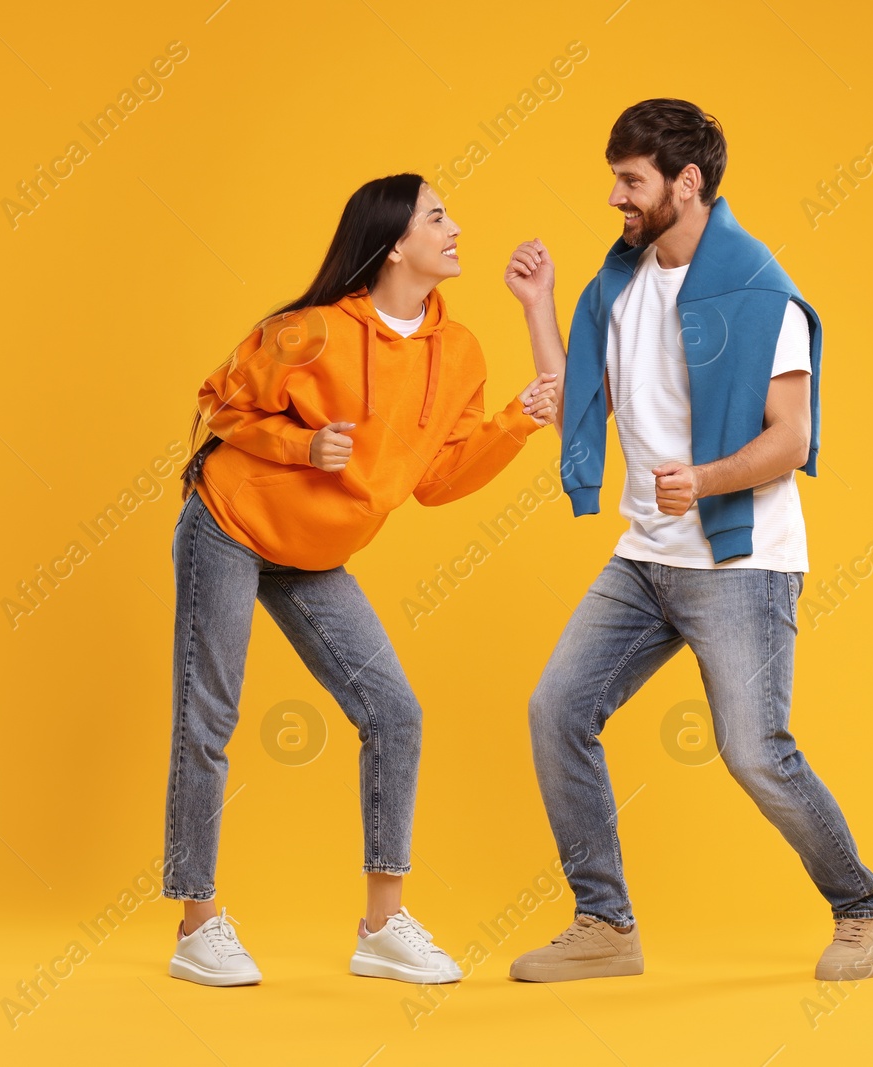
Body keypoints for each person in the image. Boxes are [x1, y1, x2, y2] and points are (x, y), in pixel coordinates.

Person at [502, 99, 873, 983]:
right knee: (557, 709)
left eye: (631, 179)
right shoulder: (621, 286)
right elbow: (578, 404)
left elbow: (791, 438)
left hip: (740, 560)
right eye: (615, 177)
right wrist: (540, 307)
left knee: (756, 751)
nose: (615, 196)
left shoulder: (762, 295)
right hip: (647, 559)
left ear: (688, 182)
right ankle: (605, 923)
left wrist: (705, 479)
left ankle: (863, 911)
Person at [163, 173, 558, 987]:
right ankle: (196, 921)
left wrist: (517, 419)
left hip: (313, 554)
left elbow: (438, 481)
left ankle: (382, 925)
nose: (456, 228)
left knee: (393, 712)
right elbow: (215, 405)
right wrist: (302, 449)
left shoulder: (461, 353)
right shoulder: (309, 333)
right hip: (231, 525)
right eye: (437, 216)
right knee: (210, 714)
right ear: (392, 243)